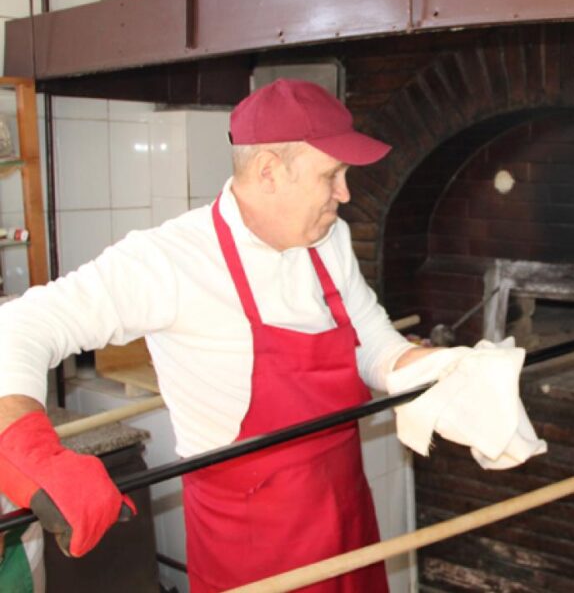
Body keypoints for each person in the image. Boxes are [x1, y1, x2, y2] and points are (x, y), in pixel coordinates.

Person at [0, 78, 441, 592]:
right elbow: (19, 325)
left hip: (346, 514)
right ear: (269, 171)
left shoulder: (328, 238)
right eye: (332, 175)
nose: (345, 193)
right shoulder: (170, 260)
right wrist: (33, 452)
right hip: (251, 546)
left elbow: (373, 342)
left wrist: (440, 371)